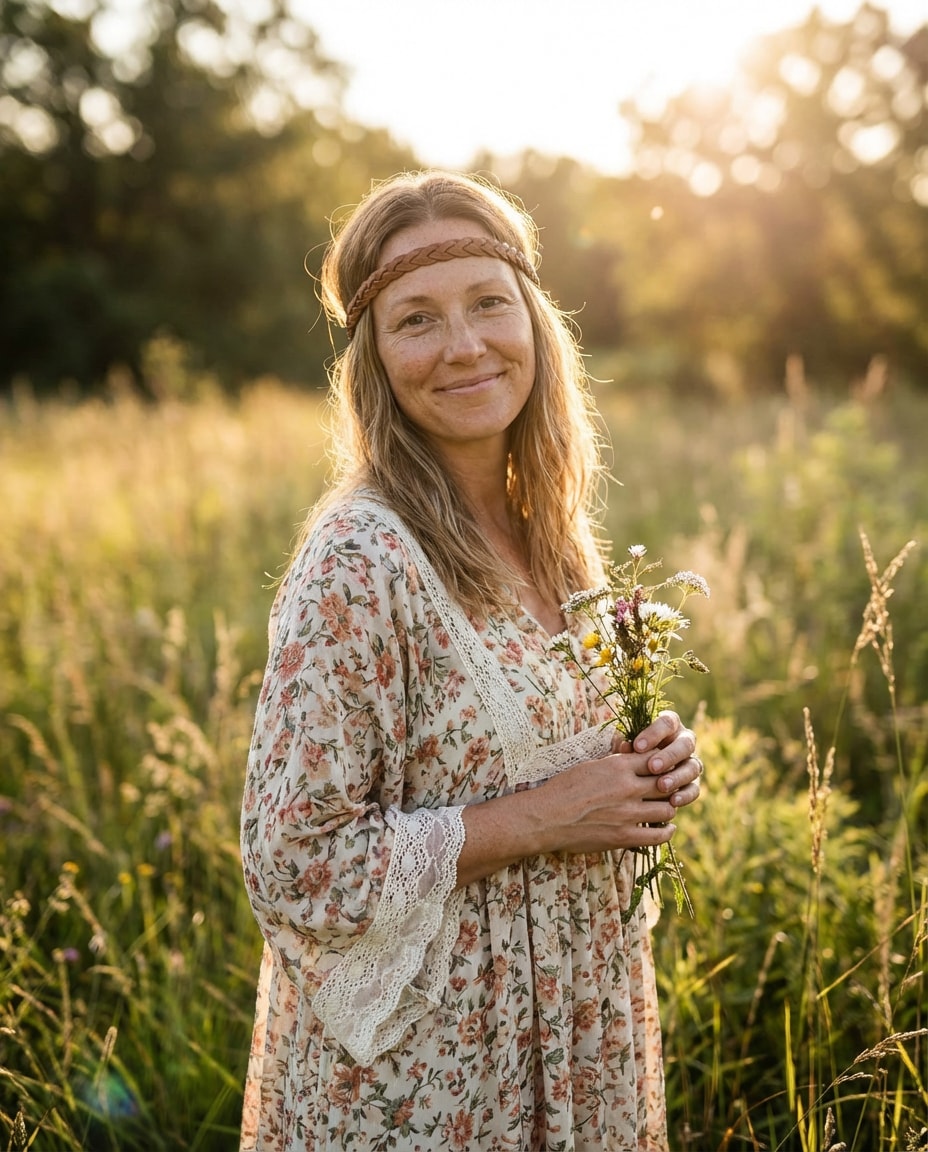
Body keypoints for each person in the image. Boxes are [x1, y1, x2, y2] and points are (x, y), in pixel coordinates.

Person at [239, 170, 703, 1152]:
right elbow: (295, 864)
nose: (463, 345)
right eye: (416, 319)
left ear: (534, 319)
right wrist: (548, 816)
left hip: (572, 1036)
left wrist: (644, 765)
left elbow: (542, 757)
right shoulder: (359, 561)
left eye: (488, 303)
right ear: (373, 357)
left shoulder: (548, 531)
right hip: (432, 1084)